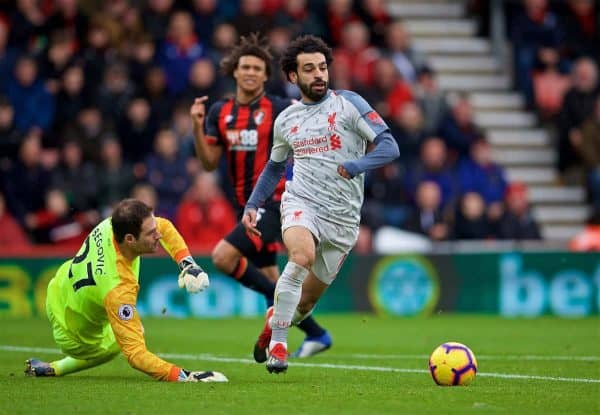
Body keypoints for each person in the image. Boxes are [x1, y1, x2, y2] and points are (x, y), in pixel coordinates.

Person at [242, 35, 400, 373]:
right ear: (293, 77)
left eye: (323, 67)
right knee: (301, 256)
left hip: (343, 218)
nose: (319, 75)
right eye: (309, 69)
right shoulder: (287, 120)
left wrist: (358, 164)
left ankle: (274, 320)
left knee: (307, 301)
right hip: (303, 202)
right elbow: (274, 166)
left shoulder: (349, 104)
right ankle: (279, 346)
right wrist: (253, 203)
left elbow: (389, 146)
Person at [189, 33, 332, 361]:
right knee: (271, 280)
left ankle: (281, 316)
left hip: (278, 202)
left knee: (223, 257)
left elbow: (309, 125)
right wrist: (197, 126)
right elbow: (209, 162)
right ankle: (317, 334)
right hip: (248, 207)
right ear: (235, 72)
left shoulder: (280, 108)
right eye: (246, 67)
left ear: (266, 76)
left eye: (258, 68)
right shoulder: (219, 112)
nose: (251, 72)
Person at [25, 198, 227, 383]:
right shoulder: (118, 288)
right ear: (130, 239)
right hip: (72, 334)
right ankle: (56, 368)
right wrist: (187, 377)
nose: (158, 235)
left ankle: (47, 368)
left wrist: (187, 264)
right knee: (132, 335)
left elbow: (163, 226)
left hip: (58, 289)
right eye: (150, 234)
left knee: (127, 326)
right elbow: (136, 355)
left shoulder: (112, 225)